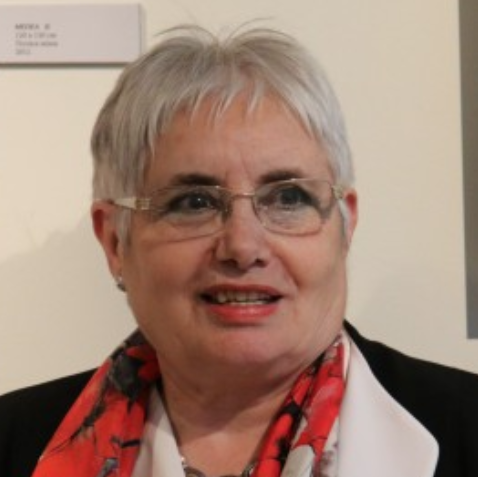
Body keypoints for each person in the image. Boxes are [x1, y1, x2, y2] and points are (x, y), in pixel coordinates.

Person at [0, 24, 477, 477]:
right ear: (114, 242)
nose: (244, 247)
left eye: (288, 198)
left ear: (344, 225)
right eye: (195, 203)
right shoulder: (12, 440)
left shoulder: (467, 427)